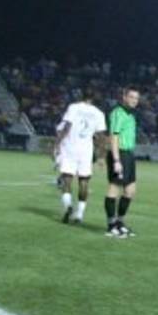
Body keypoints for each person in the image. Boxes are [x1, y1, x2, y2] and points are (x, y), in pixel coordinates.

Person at [53, 92, 107, 224]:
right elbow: (101, 137)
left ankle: (68, 206)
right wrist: (101, 156)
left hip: (70, 147)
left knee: (67, 179)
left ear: (81, 97)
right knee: (84, 182)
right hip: (86, 151)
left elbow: (67, 126)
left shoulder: (74, 107)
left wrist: (57, 144)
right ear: (94, 99)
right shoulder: (99, 113)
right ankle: (79, 214)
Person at [105, 87, 141, 238]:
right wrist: (116, 160)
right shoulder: (117, 113)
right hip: (119, 154)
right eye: (131, 97)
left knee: (130, 191)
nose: (134, 100)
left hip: (129, 155)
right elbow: (114, 137)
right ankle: (111, 224)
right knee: (114, 189)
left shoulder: (131, 115)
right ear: (124, 97)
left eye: (136, 98)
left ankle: (120, 222)